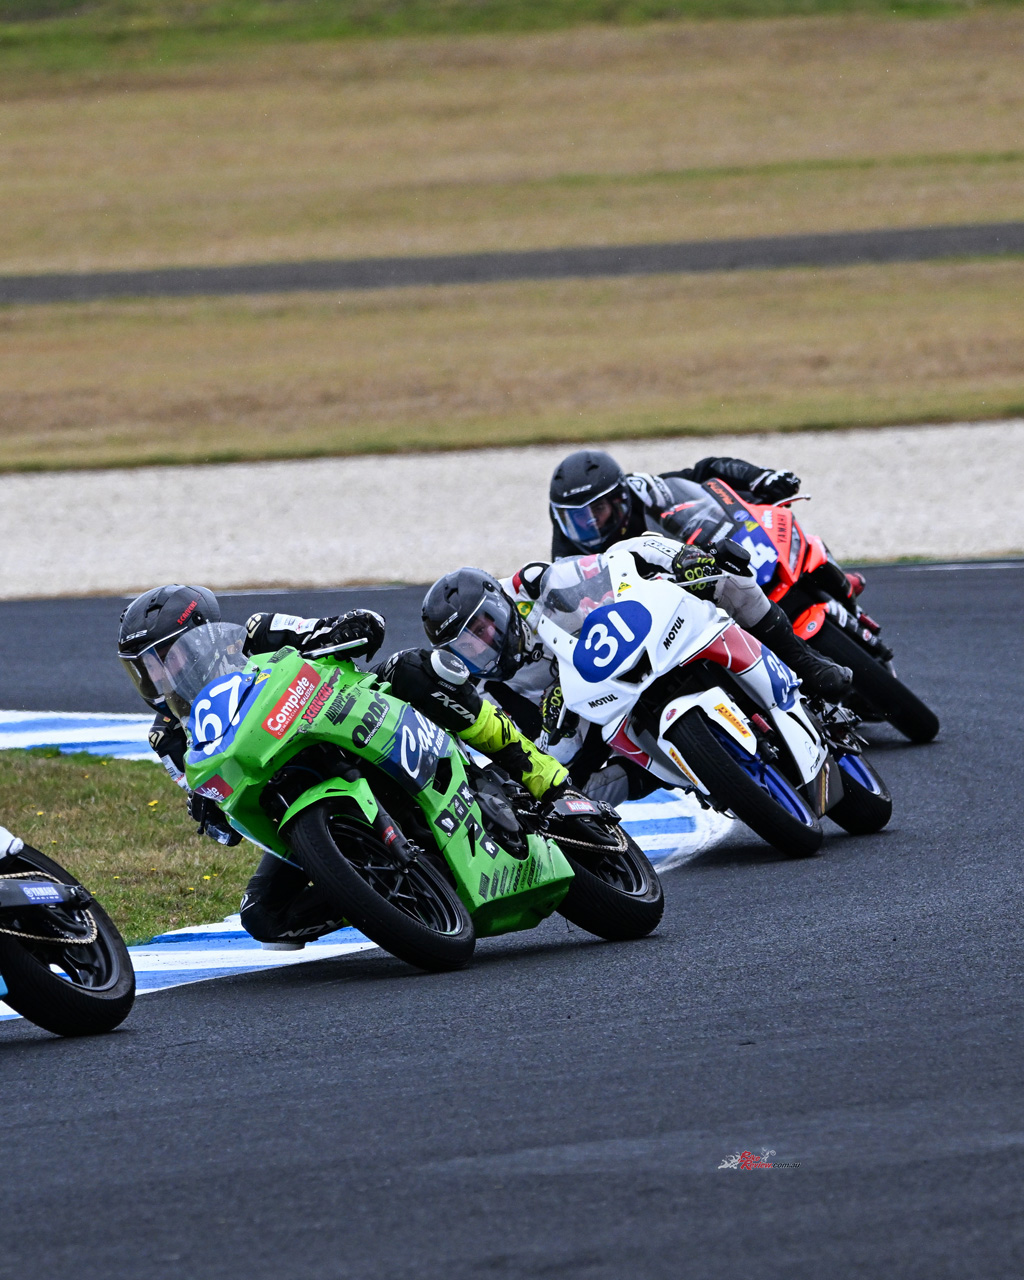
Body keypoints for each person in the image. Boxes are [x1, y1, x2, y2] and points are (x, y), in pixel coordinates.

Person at [117, 584, 572, 948]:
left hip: (350, 719)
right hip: (292, 794)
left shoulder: (257, 633)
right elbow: (211, 804)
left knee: (417, 669)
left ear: (202, 634)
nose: (156, 676)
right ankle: (374, 894)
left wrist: (344, 629)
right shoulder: (169, 736)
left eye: (163, 657)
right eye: (142, 669)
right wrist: (207, 806)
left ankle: (538, 772)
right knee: (262, 916)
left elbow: (332, 629)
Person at [413, 529, 851, 806]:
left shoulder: (529, 585)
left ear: (497, 604)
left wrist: (680, 561)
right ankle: (677, 775)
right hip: (589, 713)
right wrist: (550, 728)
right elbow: (533, 754)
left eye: (483, 628)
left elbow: (618, 560)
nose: (484, 647)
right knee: (562, 793)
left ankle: (806, 662)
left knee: (725, 575)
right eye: (468, 647)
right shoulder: (484, 690)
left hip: (631, 641)